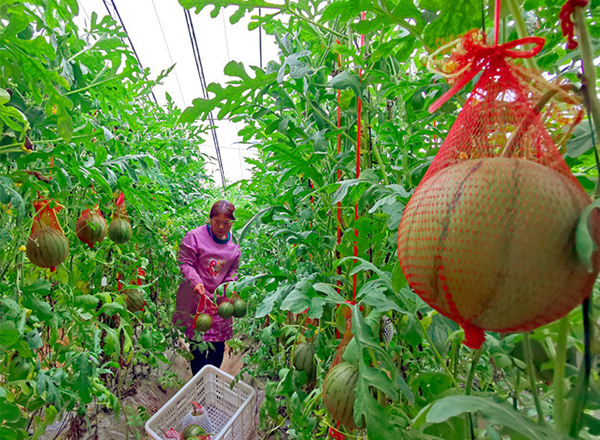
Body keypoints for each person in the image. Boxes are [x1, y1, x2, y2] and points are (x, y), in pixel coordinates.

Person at [173, 200, 241, 376]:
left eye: (226, 223)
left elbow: (234, 268)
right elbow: (185, 262)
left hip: (220, 302)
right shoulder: (194, 237)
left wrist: (230, 285)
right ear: (209, 220)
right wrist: (196, 281)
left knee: (218, 349)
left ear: (232, 223)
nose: (221, 226)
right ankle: (200, 387)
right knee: (198, 348)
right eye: (216, 221)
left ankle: (213, 382)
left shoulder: (234, 243)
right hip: (197, 299)